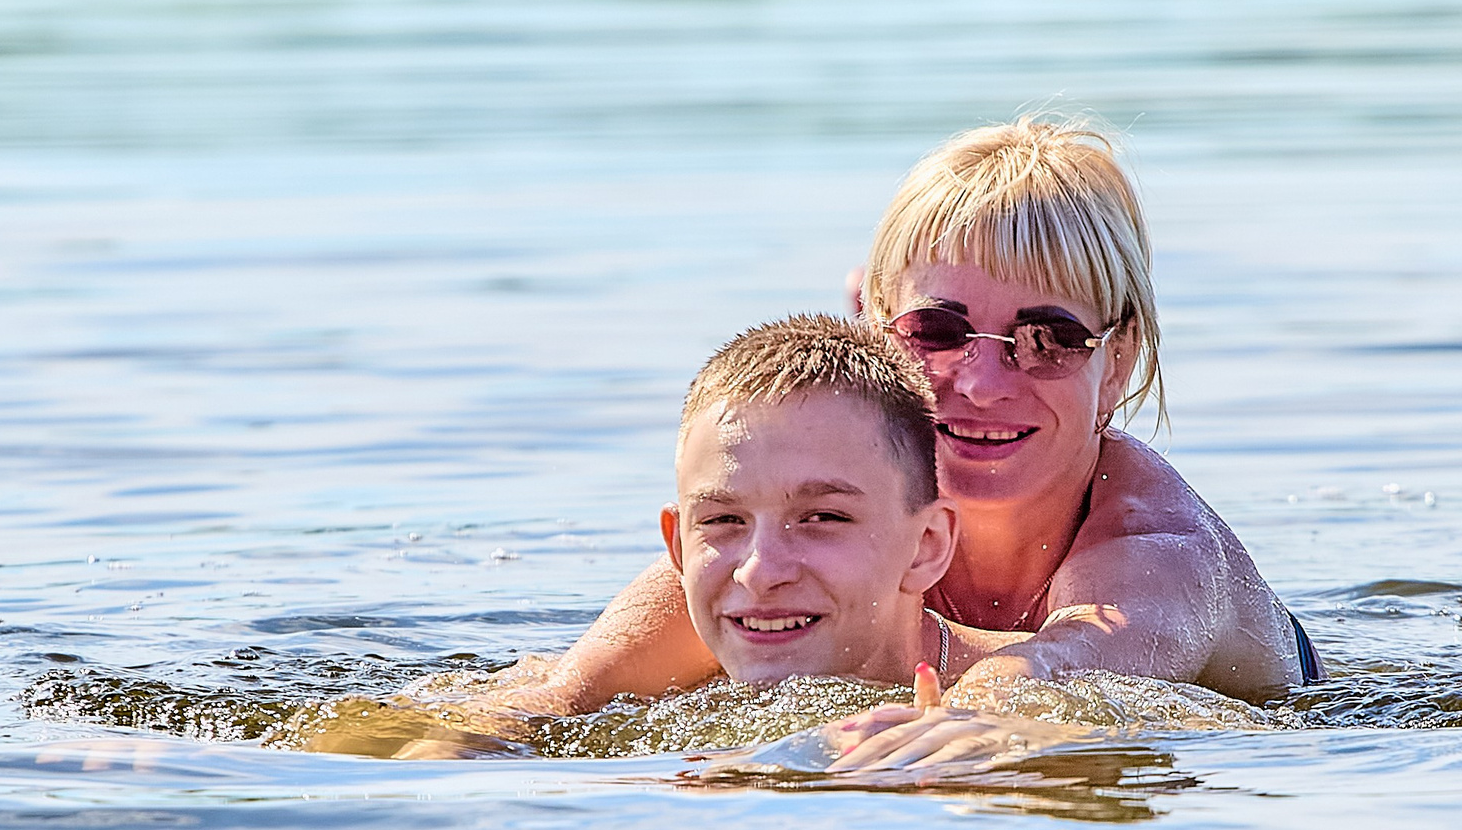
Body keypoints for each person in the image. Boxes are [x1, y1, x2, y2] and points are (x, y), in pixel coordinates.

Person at [463, 117, 1317, 738]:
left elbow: (1055, 681)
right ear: (874, 323)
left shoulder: (1157, 550)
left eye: (1051, 338)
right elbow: (549, 705)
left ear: (1119, 359)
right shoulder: (812, 524)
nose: (982, 383)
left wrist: (938, 735)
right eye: (937, 332)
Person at [385, 313, 1088, 773]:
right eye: (722, 522)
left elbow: (1161, 734)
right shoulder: (649, 704)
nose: (761, 571)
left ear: (928, 544)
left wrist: (1014, 740)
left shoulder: (1042, 694)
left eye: (823, 518)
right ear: (676, 545)